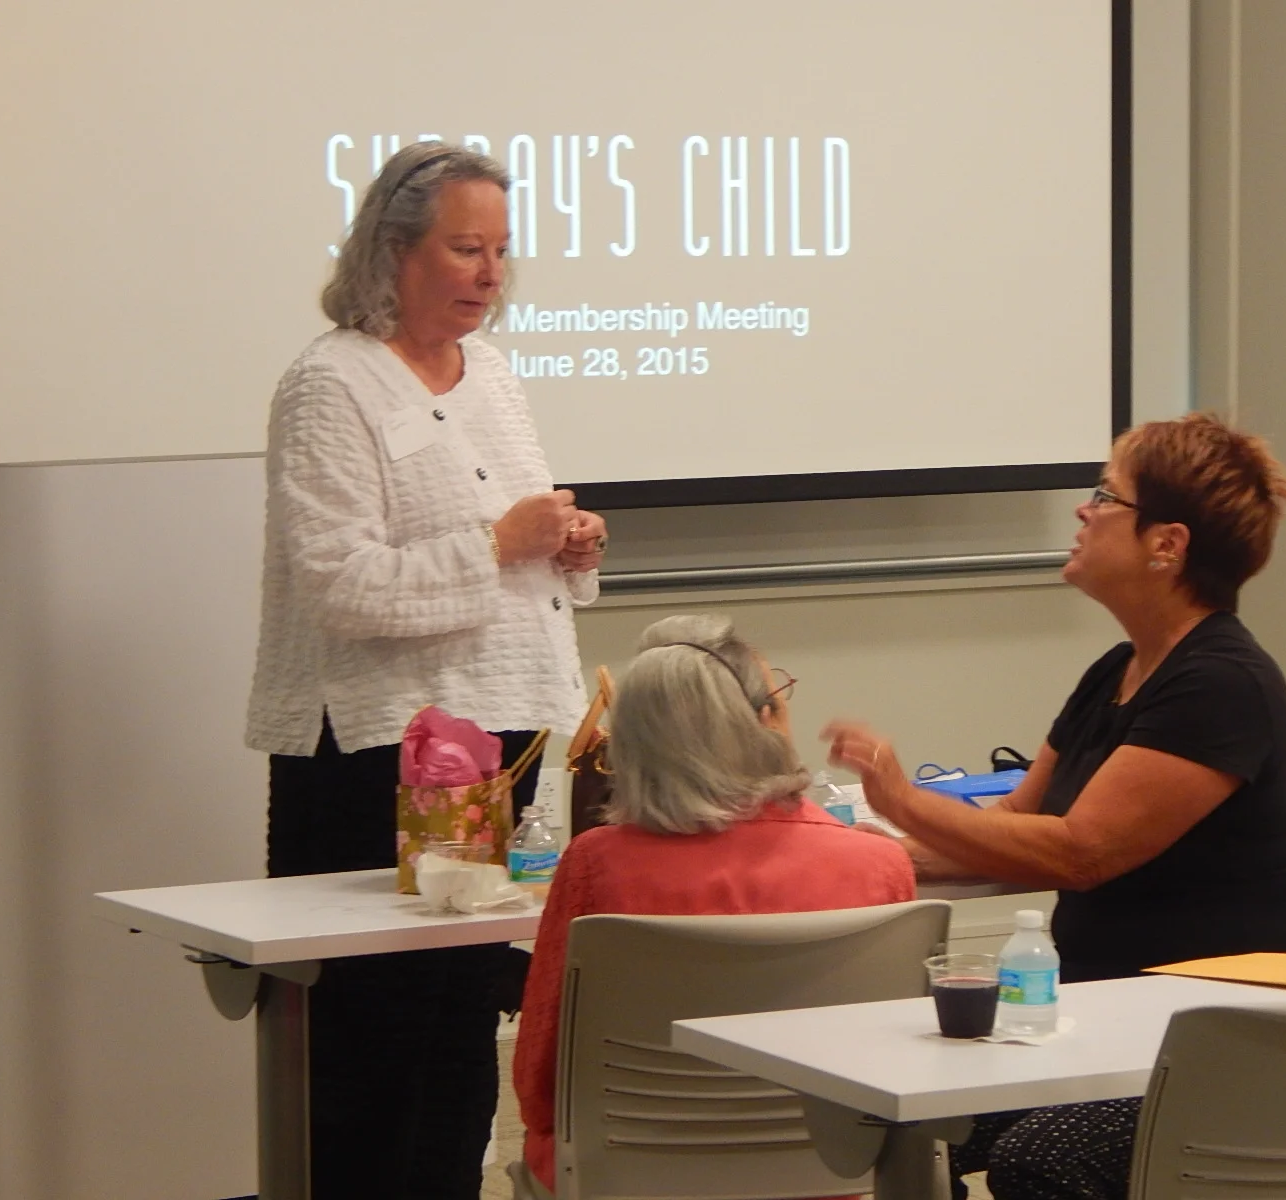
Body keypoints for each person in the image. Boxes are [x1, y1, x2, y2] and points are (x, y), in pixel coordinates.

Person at [823, 413, 1286, 1200]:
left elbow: (1079, 852)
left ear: (1167, 544)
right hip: (1111, 1024)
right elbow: (1008, 837)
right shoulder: (1116, 671)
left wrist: (900, 795)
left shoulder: (1221, 683)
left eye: (1105, 496)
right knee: (900, 1122)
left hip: (1225, 1038)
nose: (1082, 511)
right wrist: (845, 850)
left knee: (1044, 1158)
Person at [245, 142, 607, 1198]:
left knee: (460, 1022)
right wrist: (500, 542)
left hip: (502, 731)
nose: (491, 273)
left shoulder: (491, 373)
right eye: (465, 247)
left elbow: (516, 541)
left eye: (501, 250)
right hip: (374, 747)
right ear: (393, 250)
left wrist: (566, 543)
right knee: (372, 1043)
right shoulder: (329, 382)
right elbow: (341, 587)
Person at [513, 614, 916, 1195]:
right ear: (760, 723)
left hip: (626, 1174)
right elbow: (901, 1063)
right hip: (829, 1171)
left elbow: (538, 1078)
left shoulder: (595, 865)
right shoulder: (877, 865)